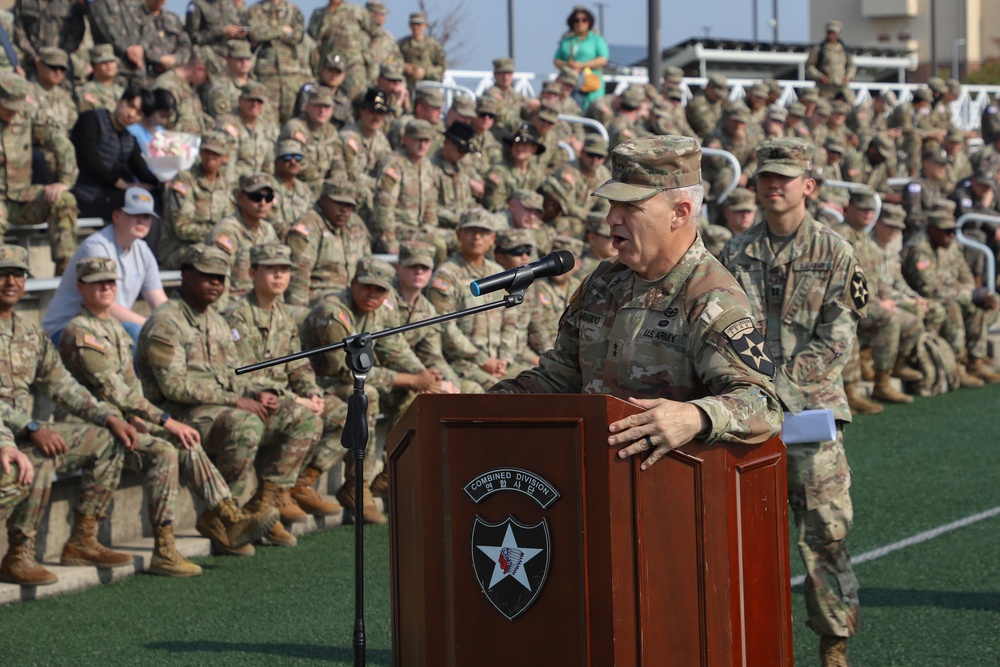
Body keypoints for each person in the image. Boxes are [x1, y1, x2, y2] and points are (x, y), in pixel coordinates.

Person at [719, 138, 865, 667]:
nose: (774, 185)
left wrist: (780, 384)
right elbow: (720, 329)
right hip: (748, 412)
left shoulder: (835, 251)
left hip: (809, 414)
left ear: (809, 185)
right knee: (743, 538)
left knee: (824, 534)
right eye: (765, 177)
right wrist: (752, 386)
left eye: (785, 176)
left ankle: (833, 647)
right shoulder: (733, 253)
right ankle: (748, 644)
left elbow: (839, 337)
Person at [59, 256, 278, 576]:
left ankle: (228, 516)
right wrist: (163, 420)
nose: (105, 288)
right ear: (81, 287)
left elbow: (131, 390)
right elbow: (113, 390)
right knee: (165, 449)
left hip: (127, 420)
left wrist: (147, 420)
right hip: (93, 426)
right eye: (97, 283)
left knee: (182, 440)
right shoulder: (80, 333)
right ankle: (164, 547)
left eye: (110, 282)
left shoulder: (114, 328)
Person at [136, 243, 321, 551]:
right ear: (184, 276)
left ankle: (259, 509)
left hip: (217, 409)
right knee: (245, 424)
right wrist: (237, 400)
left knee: (304, 419)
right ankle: (226, 516)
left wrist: (260, 393)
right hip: (177, 413)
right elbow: (174, 387)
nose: (215, 284)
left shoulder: (216, 321)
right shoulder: (166, 321)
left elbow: (236, 372)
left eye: (220, 278)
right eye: (207, 276)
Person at [0, 244, 140, 586]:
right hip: (12, 437)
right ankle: (20, 554)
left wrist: (109, 416)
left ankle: (82, 540)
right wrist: (31, 427)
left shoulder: (29, 334)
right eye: (3, 274)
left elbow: (64, 387)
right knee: (40, 460)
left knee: (107, 439)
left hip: (22, 435)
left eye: (18, 274)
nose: (11, 281)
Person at [43, 187, 168, 344]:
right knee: (135, 332)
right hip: (65, 329)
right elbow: (105, 306)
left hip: (106, 325)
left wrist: (172, 325)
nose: (141, 220)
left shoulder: (143, 250)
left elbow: (160, 303)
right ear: (116, 216)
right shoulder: (96, 247)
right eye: (134, 214)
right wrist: (149, 325)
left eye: (146, 216)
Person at [0, 72, 80, 276]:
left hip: (21, 196)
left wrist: (64, 181)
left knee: (64, 200)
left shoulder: (26, 114)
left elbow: (62, 145)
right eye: (8, 107)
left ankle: (65, 270)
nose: (13, 113)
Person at [70, 85, 159, 219]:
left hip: (111, 195)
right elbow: (90, 160)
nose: (131, 114)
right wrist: (124, 185)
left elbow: (141, 169)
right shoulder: (91, 119)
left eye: (139, 113)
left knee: (154, 198)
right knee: (136, 203)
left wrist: (161, 184)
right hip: (84, 192)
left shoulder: (129, 138)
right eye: (130, 105)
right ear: (120, 100)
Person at [284, 177, 371, 307]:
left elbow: (368, 266)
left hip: (353, 297)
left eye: (349, 206)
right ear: (323, 201)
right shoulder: (309, 225)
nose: (344, 210)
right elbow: (298, 277)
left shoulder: (356, 225)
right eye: (338, 203)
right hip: (319, 301)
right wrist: (299, 314)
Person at [159, 130, 237, 269]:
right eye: (207, 152)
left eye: (216, 154)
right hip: (180, 248)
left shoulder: (226, 185)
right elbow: (182, 228)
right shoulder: (184, 180)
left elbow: (230, 221)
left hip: (215, 245)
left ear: (225, 158)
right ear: (200, 152)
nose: (210, 157)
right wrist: (216, 234)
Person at [206, 172, 280, 303]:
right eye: (256, 197)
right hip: (235, 304)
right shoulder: (227, 231)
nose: (262, 203)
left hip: (263, 304)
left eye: (268, 198)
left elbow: (277, 273)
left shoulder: (268, 230)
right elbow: (218, 278)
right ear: (241, 197)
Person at [553, 5, 608, 111]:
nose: (580, 23)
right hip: (569, 83)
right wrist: (570, 66)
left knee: (590, 110)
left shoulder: (596, 39)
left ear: (589, 22)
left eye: (584, 20)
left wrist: (582, 65)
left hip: (589, 85)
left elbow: (603, 59)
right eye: (577, 20)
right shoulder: (567, 39)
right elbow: (556, 60)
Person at [396, 11, 445, 95]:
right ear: (409, 25)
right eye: (413, 24)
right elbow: (389, 60)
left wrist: (425, 71)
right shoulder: (401, 44)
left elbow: (442, 68)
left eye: (419, 24)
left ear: (425, 25)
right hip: (407, 89)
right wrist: (403, 66)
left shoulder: (434, 46)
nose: (416, 27)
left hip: (428, 89)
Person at [806, 20, 855, 100]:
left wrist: (848, 76)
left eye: (833, 32)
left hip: (841, 86)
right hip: (825, 87)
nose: (831, 34)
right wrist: (820, 76)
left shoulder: (844, 50)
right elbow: (809, 67)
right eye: (829, 32)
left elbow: (851, 65)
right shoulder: (819, 49)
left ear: (839, 33)